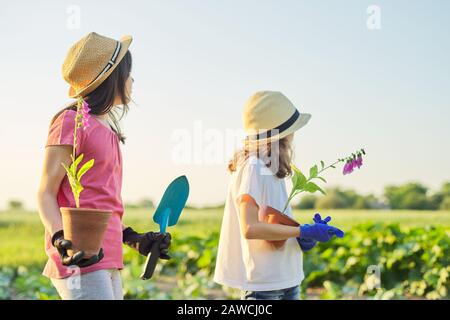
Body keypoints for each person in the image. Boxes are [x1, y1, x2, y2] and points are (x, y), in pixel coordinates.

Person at [36, 32, 171, 300]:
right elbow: (45, 192)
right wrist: (61, 238)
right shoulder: (71, 122)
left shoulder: (108, 129)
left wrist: (135, 238)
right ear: (112, 79)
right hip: (81, 257)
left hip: (109, 255)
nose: (133, 80)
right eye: (128, 73)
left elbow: (99, 203)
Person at [213, 91, 344, 300]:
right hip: (265, 285)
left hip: (287, 278)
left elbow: (270, 218)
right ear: (281, 135)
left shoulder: (271, 168)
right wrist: (302, 231)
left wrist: (301, 234)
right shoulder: (253, 166)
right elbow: (250, 228)